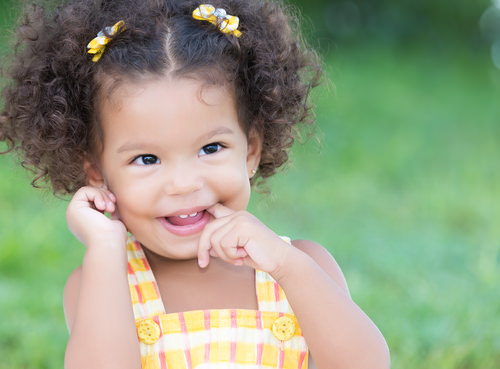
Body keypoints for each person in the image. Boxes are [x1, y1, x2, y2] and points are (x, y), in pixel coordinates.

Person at [0, 0, 390, 368]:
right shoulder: (103, 283)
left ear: (251, 150)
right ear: (98, 173)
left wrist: (288, 267)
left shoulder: (303, 266)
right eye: (147, 159)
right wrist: (104, 248)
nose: (184, 184)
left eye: (211, 148)